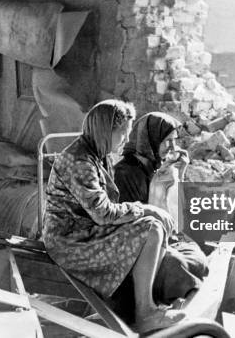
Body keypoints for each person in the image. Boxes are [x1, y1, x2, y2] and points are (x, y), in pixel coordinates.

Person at [42, 100, 186, 332]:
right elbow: (104, 212)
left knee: (154, 226)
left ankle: (141, 305)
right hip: (69, 240)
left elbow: (109, 209)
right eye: (123, 133)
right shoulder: (79, 161)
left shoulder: (97, 155)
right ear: (106, 131)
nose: (126, 139)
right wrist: (145, 209)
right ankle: (145, 312)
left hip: (86, 230)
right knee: (151, 228)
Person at [113, 112, 209, 312]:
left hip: (162, 238)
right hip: (136, 247)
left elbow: (175, 219)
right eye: (167, 142)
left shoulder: (156, 167)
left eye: (175, 142)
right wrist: (157, 188)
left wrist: (179, 175)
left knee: (195, 255)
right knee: (177, 265)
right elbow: (135, 226)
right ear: (150, 140)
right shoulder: (126, 173)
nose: (173, 149)